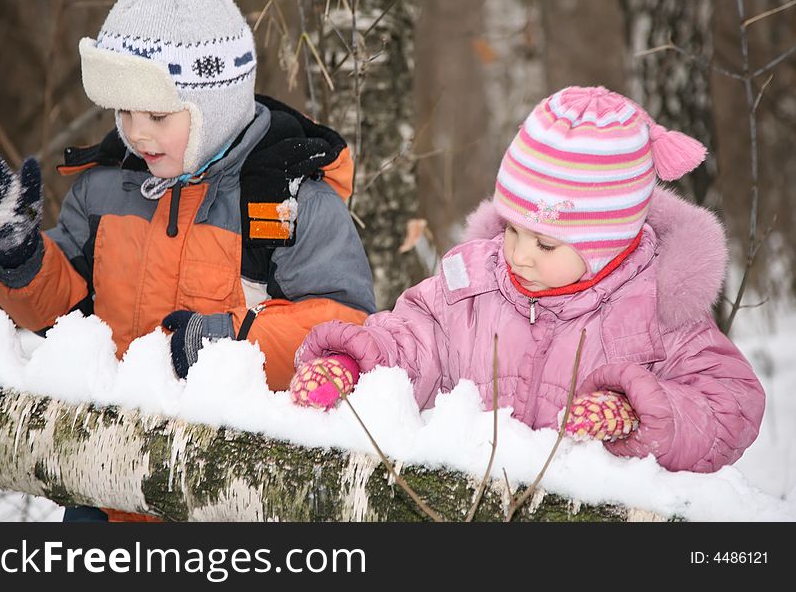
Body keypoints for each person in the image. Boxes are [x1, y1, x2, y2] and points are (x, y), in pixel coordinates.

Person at [0, 0, 376, 520]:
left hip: (223, 490)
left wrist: (226, 344)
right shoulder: (106, 187)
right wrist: (18, 251)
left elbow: (344, 326)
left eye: (158, 115)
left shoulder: (287, 201)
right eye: (126, 112)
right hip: (103, 483)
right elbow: (60, 313)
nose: (137, 134)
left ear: (216, 105)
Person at [291, 86, 765, 474]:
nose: (519, 255)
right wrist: (354, 365)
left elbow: (730, 404)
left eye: (546, 245)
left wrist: (641, 413)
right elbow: (413, 337)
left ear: (606, 244)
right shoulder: (473, 287)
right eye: (513, 229)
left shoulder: (654, 312)